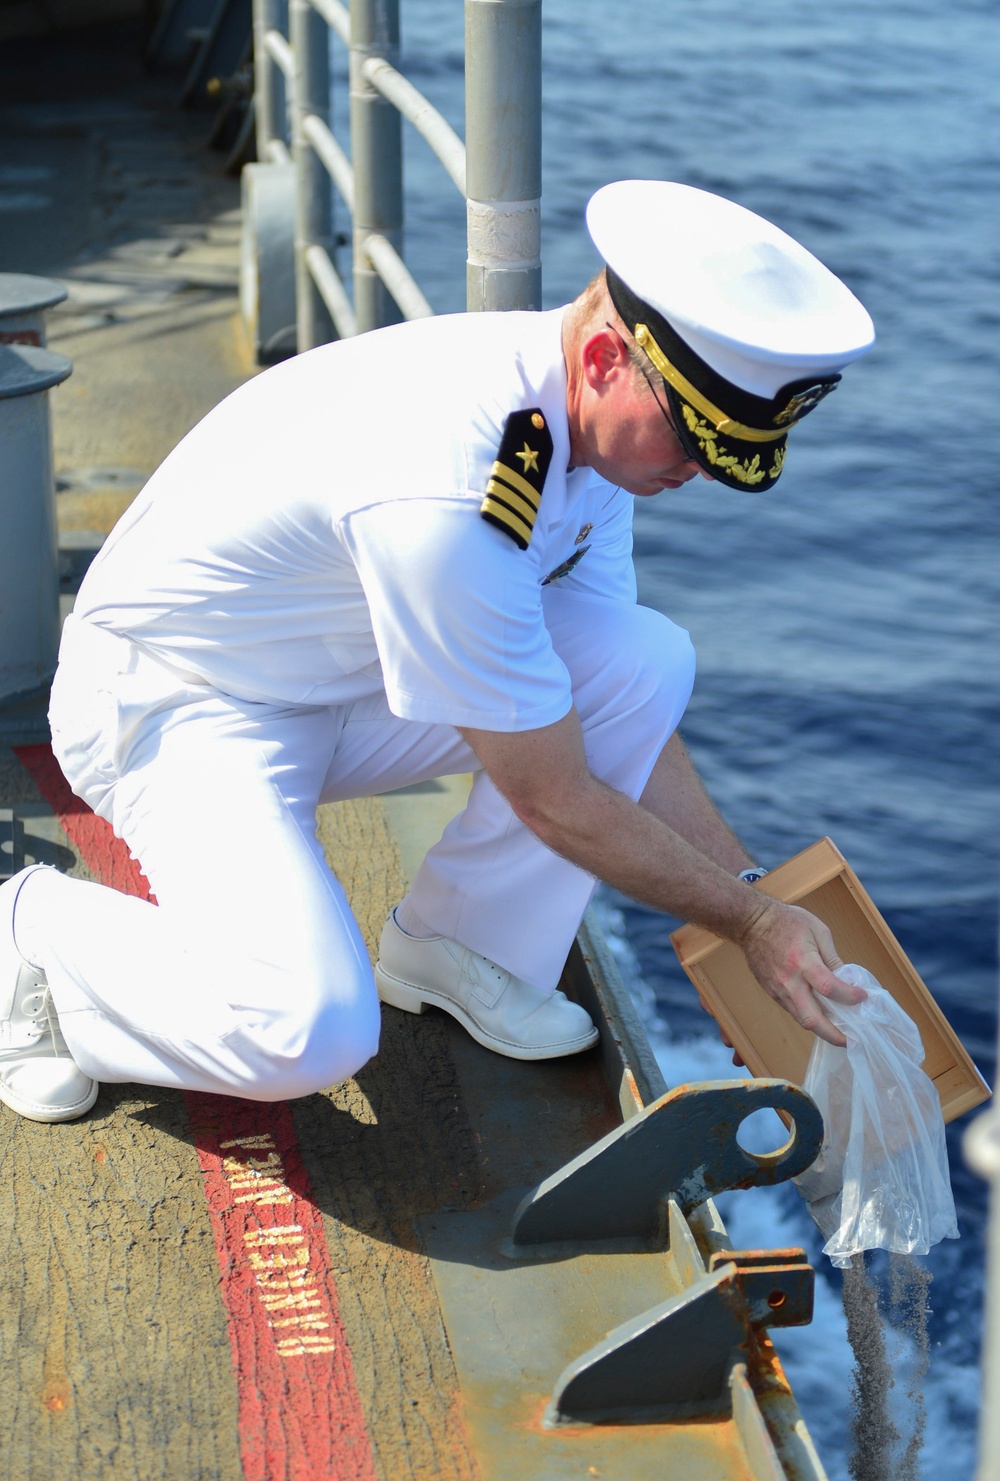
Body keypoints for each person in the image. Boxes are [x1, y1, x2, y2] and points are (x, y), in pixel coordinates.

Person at [0, 180, 875, 1123]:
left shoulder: (587, 431)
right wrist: (746, 926)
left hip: (335, 674)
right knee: (306, 1029)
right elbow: (555, 795)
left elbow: (610, 702)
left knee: (646, 657)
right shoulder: (455, 487)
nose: (698, 470)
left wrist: (752, 894)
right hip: (177, 699)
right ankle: (32, 936)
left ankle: (462, 947)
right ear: (610, 356)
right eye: (692, 437)